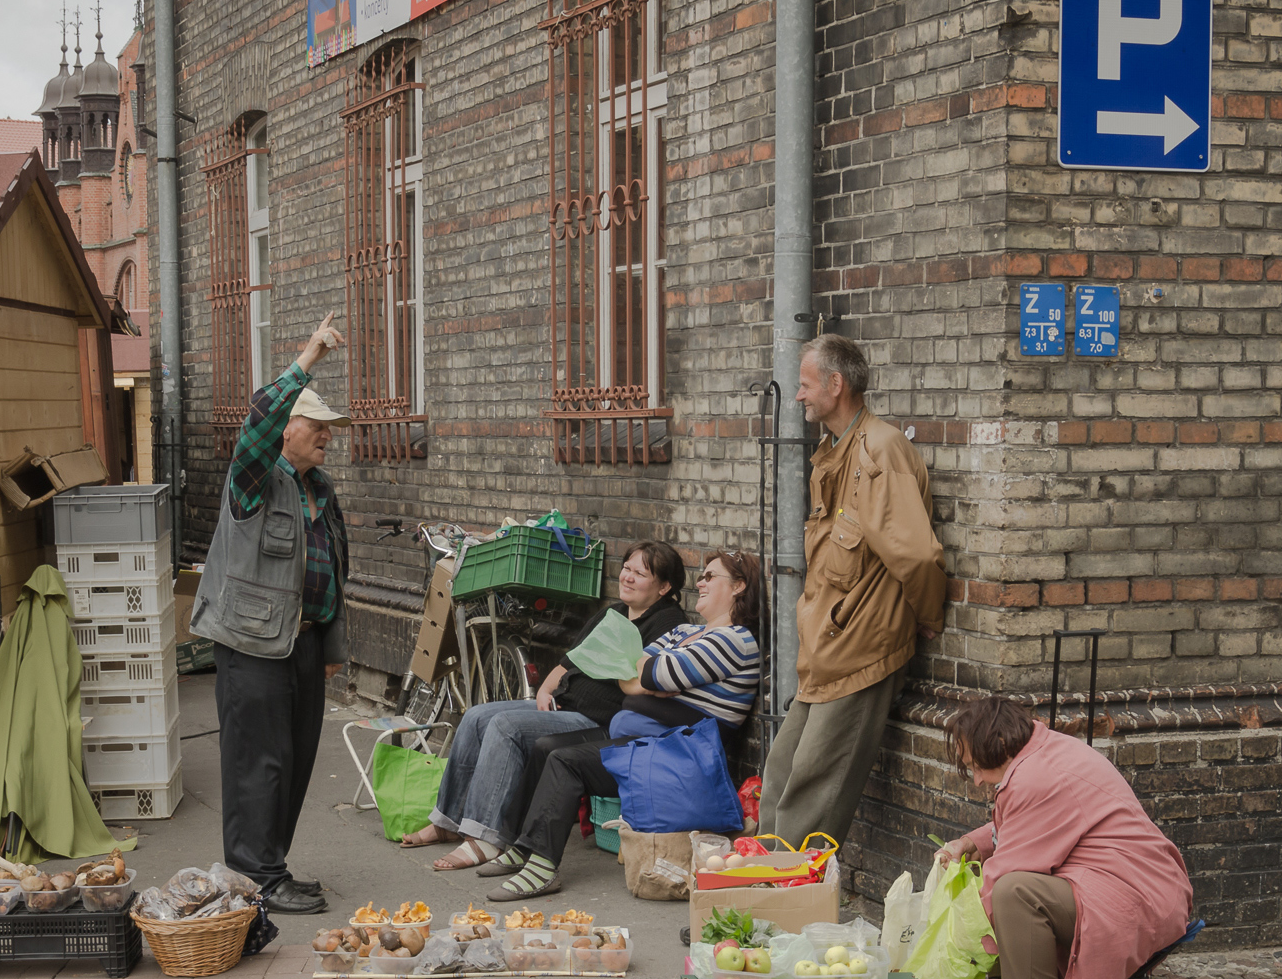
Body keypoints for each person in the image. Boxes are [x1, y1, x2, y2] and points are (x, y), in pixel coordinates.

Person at [483, 550, 766, 902]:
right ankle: (522, 846)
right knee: (545, 746)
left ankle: (542, 869)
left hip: (680, 755)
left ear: (738, 586)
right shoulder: (684, 630)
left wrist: (648, 675)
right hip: (645, 740)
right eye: (702, 575)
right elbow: (626, 669)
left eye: (711, 576)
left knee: (566, 762)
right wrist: (648, 678)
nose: (700, 582)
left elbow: (648, 671)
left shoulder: (735, 641)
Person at [187, 312, 351, 916]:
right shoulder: (254, 478)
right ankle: (255, 874)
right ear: (287, 429)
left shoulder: (321, 490)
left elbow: (333, 571)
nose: (328, 434)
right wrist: (307, 356)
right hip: (252, 644)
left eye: (331, 427)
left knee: (297, 760)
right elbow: (256, 422)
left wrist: (331, 650)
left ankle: (269, 867)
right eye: (317, 424)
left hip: (302, 645)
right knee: (261, 762)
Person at [759, 333, 946, 850]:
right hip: (826, 647)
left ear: (836, 385)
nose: (798, 396)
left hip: (863, 645)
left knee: (812, 787)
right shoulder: (834, 452)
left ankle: (782, 905)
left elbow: (917, 556)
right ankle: (753, 886)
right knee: (780, 774)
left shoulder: (880, 450)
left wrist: (928, 617)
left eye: (805, 384)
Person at [932, 696, 1194, 979]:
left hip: (1135, 899)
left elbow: (1007, 872)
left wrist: (961, 945)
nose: (976, 780)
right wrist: (971, 843)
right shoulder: (1043, 751)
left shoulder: (1037, 776)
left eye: (977, 768)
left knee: (1012, 892)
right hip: (1138, 888)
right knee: (1004, 890)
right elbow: (1031, 819)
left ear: (1002, 746)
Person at [402, 542, 690, 868]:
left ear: (664, 587)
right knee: (477, 716)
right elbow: (568, 663)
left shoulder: (668, 623)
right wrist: (544, 690)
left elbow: (649, 680)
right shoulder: (612, 614)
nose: (628, 577)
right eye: (627, 568)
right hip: (561, 705)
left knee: (505, 726)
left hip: (596, 720)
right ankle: (447, 822)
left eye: (640, 573)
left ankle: (486, 837)